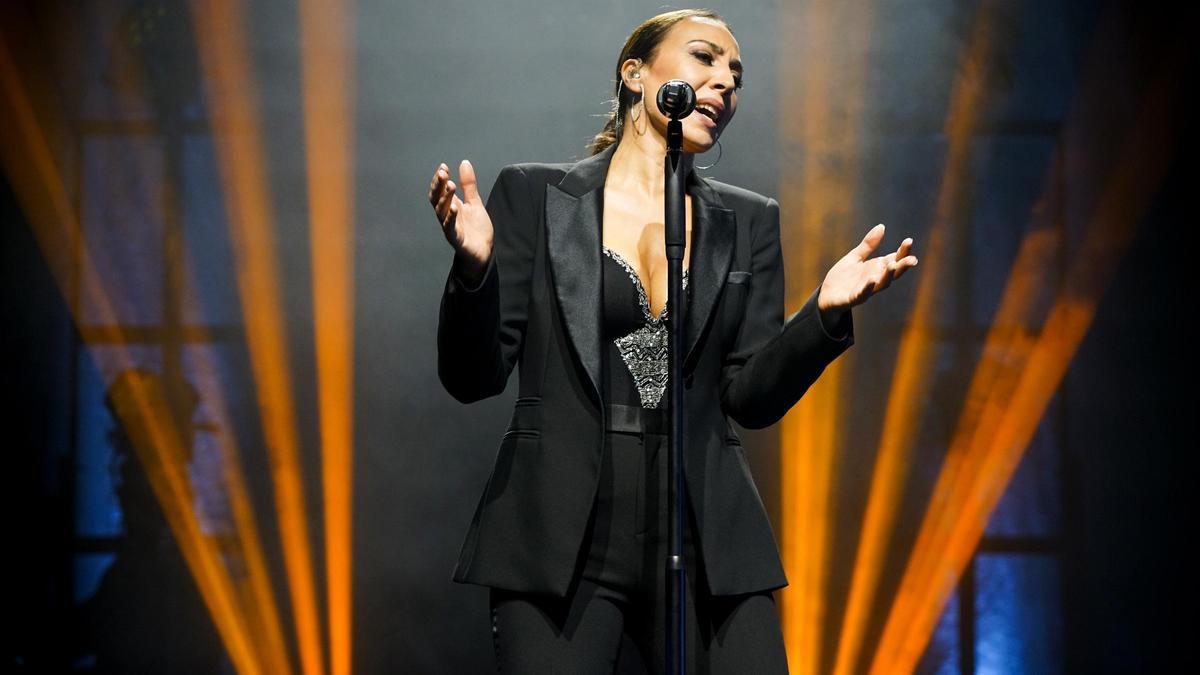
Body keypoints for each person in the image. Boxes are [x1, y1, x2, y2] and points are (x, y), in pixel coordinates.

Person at [427, 9, 917, 673]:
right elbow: (472, 375)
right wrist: (476, 270)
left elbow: (749, 397)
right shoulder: (536, 196)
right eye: (706, 59)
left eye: (736, 76)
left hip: (704, 526)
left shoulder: (747, 220)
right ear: (635, 73)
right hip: (560, 531)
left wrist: (823, 314)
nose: (724, 84)